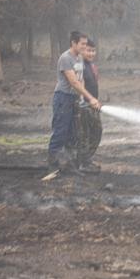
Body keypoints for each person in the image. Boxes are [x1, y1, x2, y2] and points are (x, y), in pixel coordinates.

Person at [47, 31, 100, 172]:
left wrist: (82, 98)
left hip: (74, 99)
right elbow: (74, 82)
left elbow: (81, 79)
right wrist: (91, 98)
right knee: (61, 129)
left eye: (85, 43)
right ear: (73, 43)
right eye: (82, 44)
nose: (84, 46)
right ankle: (52, 163)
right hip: (63, 97)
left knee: (73, 132)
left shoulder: (79, 58)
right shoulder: (66, 58)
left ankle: (68, 162)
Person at [72, 38, 105, 174]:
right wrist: (86, 101)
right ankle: (82, 163)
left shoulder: (92, 65)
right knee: (84, 135)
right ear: (82, 50)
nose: (91, 53)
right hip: (83, 106)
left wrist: (96, 100)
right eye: (88, 50)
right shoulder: (79, 65)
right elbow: (78, 85)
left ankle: (86, 160)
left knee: (97, 131)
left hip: (92, 104)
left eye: (93, 50)